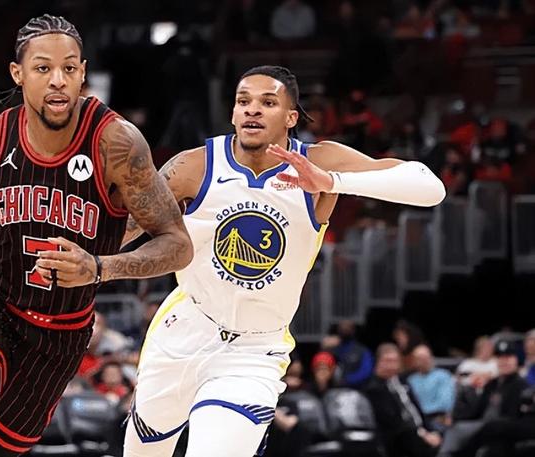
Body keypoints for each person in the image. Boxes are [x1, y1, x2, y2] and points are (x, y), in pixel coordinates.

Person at [0, 14, 192, 457]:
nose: (58, 80)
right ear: (18, 73)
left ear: (83, 73)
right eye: (43, 68)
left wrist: (99, 268)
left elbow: (178, 244)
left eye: (69, 68)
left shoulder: (117, 144)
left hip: (60, 333)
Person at [122, 65, 445, 457]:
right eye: (243, 101)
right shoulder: (196, 165)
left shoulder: (320, 161)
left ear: (291, 117)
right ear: (233, 113)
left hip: (254, 349)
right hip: (182, 332)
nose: (252, 109)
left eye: (267, 102)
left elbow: (430, 188)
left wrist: (332, 182)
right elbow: (123, 229)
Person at [365, 343, 441, 457]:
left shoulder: (402, 381)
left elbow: (416, 409)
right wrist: (422, 434)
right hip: (397, 437)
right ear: (378, 362)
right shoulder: (373, 388)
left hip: (418, 431)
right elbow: (393, 421)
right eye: (388, 361)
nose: (392, 365)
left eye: (395, 361)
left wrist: (431, 431)